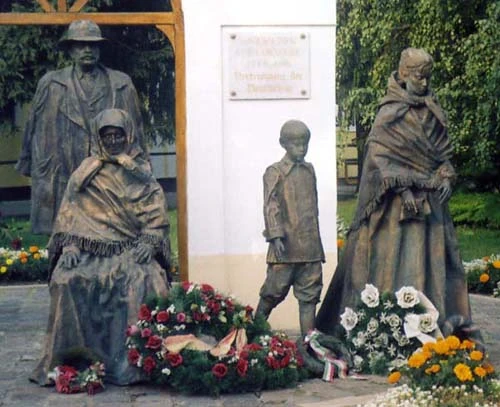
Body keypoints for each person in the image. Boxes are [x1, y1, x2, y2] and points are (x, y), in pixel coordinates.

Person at [316, 48, 472, 335]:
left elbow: (442, 155)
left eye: (428, 77)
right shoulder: (389, 113)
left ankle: (430, 324)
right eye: (419, 76)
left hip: (432, 211)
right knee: (395, 266)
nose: (424, 83)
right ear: (403, 74)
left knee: (432, 265)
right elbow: (378, 159)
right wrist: (403, 189)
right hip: (395, 211)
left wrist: (446, 175)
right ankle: (388, 325)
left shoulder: (432, 109)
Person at [30, 109, 170, 386]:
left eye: (118, 135)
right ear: (98, 137)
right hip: (88, 249)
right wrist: (70, 245)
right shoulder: (84, 173)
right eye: (107, 136)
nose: (113, 141)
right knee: (66, 280)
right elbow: (70, 213)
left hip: (130, 247)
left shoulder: (139, 172)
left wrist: (149, 239)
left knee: (145, 279)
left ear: (128, 136)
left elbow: (156, 214)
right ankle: (73, 361)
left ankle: (137, 362)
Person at [16, 20, 146, 235]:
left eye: (93, 45)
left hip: (107, 172)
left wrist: (141, 164)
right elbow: (33, 124)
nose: (87, 50)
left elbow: (136, 129)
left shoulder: (120, 83)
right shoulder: (51, 83)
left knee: (110, 233)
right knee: (64, 232)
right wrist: (27, 160)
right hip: (63, 167)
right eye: (80, 45)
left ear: (99, 49)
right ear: (70, 50)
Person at [256, 120, 325, 338]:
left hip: (310, 248)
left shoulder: (309, 170)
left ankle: (309, 342)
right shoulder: (275, 172)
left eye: (305, 144)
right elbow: (271, 205)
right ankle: (252, 332)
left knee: (309, 296)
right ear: (283, 144)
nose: (301, 149)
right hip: (285, 247)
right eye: (296, 144)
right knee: (272, 292)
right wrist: (275, 235)